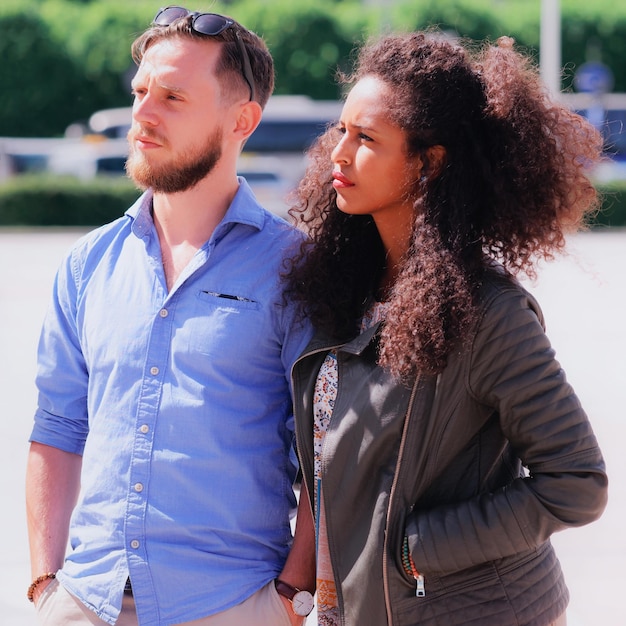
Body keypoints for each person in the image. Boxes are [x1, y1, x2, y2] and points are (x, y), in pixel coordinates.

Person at [285, 31, 608, 626]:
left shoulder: (490, 314)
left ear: (428, 162)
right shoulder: (342, 289)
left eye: (366, 139)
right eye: (340, 130)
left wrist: (418, 548)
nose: (338, 153)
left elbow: (577, 481)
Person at [25, 7, 315, 626]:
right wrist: (46, 582)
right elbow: (56, 426)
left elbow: (329, 448)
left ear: (242, 120)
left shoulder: (297, 270)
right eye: (140, 92)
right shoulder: (87, 263)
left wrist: (292, 598)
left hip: (234, 605)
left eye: (173, 97)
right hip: (85, 601)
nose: (143, 114)